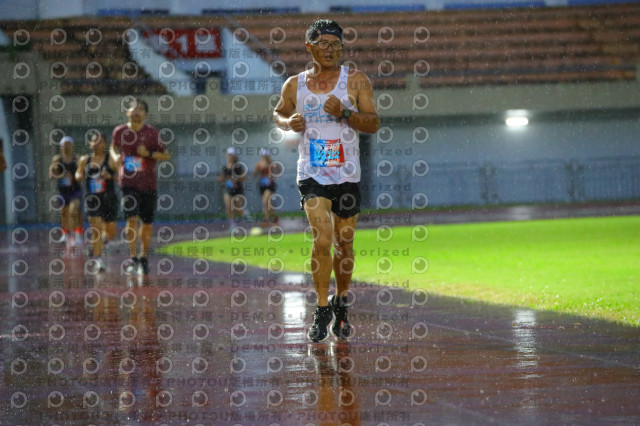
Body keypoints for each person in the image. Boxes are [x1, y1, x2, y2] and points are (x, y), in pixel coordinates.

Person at [273, 19, 380, 342]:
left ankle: (341, 303)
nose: (330, 50)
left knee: (344, 242)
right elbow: (278, 113)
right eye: (324, 44)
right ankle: (321, 308)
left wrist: (345, 113)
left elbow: (373, 123)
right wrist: (287, 123)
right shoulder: (295, 84)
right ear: (310, 47)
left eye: (336, 44)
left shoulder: (356, 81)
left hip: (347, 174)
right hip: (312, 172)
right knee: (322, 238)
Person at [110, 99, 170, 275]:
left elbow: (166, 155)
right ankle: (133, 257)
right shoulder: (120, 131)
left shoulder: (152, 132)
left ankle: (143, 257)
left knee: (147, 223)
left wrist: (148, 153)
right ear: (127, 112)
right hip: (128, 183)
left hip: (148, 183)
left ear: (146, 114)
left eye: (141, 109)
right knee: (131, 219)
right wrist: (115, 157)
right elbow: (113, 148)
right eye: (133, 108)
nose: (137, 112)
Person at [76, 132, 119, 272]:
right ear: (90, 144)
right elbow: (78, 174)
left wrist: (110, 176)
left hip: (109, 198)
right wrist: (79, 176)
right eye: (94, 141)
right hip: (93, 199)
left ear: (105, 144)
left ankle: (97, 244)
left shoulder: (110, 160)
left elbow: (120, 176)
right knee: (96, 228)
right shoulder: (85, 160)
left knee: (110, 233)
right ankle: (99, 260)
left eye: (100, 141)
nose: (96, 144)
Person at [49, 136, 83, 246]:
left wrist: (75, 176)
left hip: (75, 190)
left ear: (72, 146)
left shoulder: (77, 159)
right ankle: (65, 233)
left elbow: (82, 174)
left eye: (68, 145)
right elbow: (51, 175)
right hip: (63, 191)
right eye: (64, 145)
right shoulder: (57, 159)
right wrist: (61, 175)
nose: (66, 147)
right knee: (64, 213)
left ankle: (77, 234)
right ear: (61, 147)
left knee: (74, 211)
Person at [218, 147, 247, 230]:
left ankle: (246, 216)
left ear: (234, 156)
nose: (230, 156)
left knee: (238, 208)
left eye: (231, 155)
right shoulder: (225, 167)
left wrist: (236, 179)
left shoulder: (237, 166)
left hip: (237, 190)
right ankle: (232, 225)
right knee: (228, 207)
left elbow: (244, 178)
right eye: (229, 155)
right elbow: (221, 178)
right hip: (228, 189)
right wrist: (222, 178)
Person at [253, 148, 280, 228]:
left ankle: (266, 221)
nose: (265, 156)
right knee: (268, 205)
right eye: (264, 155)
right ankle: (274, 220)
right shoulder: (259, 164)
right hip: (263, 185)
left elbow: (278, 171)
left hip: (270, 185)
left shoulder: (272, 163)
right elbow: (255, 174)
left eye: (266, 155)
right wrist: (258, 172)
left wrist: (273, 176)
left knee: (266, 202)